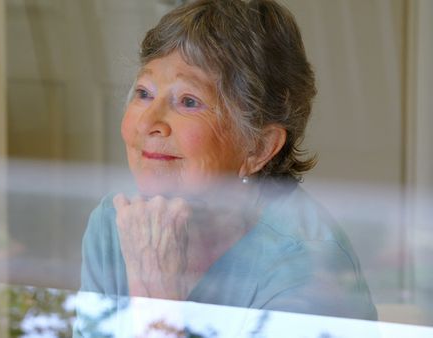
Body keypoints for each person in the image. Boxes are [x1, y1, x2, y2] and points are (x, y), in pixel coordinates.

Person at [75, 0, 377, 334]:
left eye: (188, 101)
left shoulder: (309, 267)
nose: (148, 123)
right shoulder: (116, 225)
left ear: (258, 147)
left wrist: (159, 305)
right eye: (144, 93)